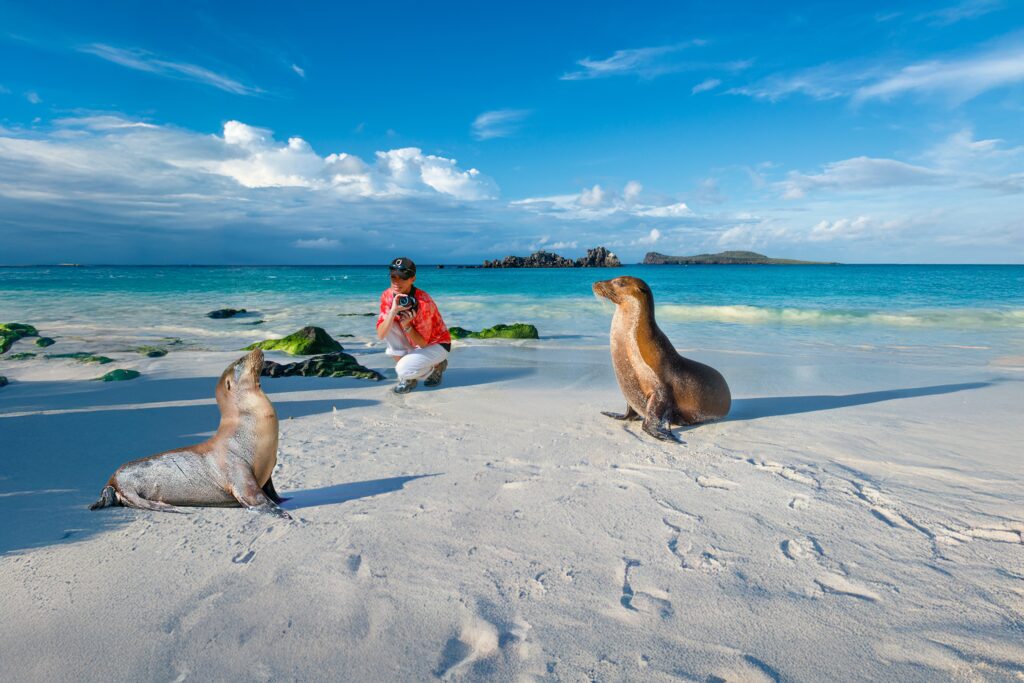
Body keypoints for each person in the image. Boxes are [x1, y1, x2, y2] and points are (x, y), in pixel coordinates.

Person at [376, 257, 451, 394]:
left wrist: (407, 325)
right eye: (393, 277)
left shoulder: (423, 302)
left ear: (413, 279)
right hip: (412, 339)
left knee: (402, 369)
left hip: (437, 344)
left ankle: (437, 365)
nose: (397, 282)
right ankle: (410, 378)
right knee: (389, 324)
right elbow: (381, 335)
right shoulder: (387, 295)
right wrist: (393, 311)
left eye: (402, 278)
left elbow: (423, 343)